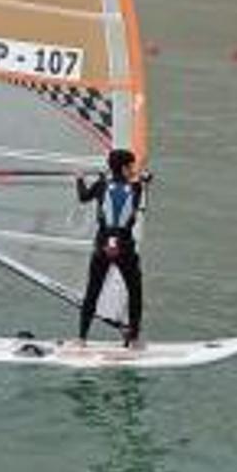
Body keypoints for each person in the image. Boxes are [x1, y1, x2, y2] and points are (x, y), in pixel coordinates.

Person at [76, 147, 150, 347]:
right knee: (135, 293)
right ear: (124, 168)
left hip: (102, 246)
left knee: (92, 291)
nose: (133, 169)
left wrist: (80, 179)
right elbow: (140, 182)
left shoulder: (101, 185)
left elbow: (83, 197)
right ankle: (134, 340)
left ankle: (81, 339)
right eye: (131, 166)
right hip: (125, 248)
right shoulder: (136, 188)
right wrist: (144, 178)